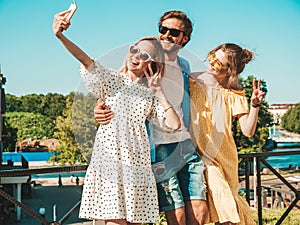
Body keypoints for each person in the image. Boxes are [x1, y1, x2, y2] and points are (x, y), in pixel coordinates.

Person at [52, 9, 181, 225]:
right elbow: (86, 60)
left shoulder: (150, 93)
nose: (136, 57)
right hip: (110, 164)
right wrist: (60, 35)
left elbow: (174, 124)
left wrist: (159, 93)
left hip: (137, 167)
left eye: (144, 56)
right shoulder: (112, 80)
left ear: (152, 64)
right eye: (134, 50)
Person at [94, 10, 208, 225]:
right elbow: (116, 87)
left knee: (200, 211)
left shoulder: (185, 65)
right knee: (177, 213)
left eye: (174, 32)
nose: (166, 35)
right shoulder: (146, 61)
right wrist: (99, 110)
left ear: (185, 39)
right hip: (159, 147)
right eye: (162, 30)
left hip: (186, 144)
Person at [189, 43, 265, 225]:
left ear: (229, 70)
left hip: (225, 157)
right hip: (200, 156)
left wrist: (255, 105)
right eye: (211, 57)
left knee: (226, 212)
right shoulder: (193, 81)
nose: (211, 63)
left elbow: (247, 131)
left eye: (217, 62)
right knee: (224, 208)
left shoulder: (235, 94)